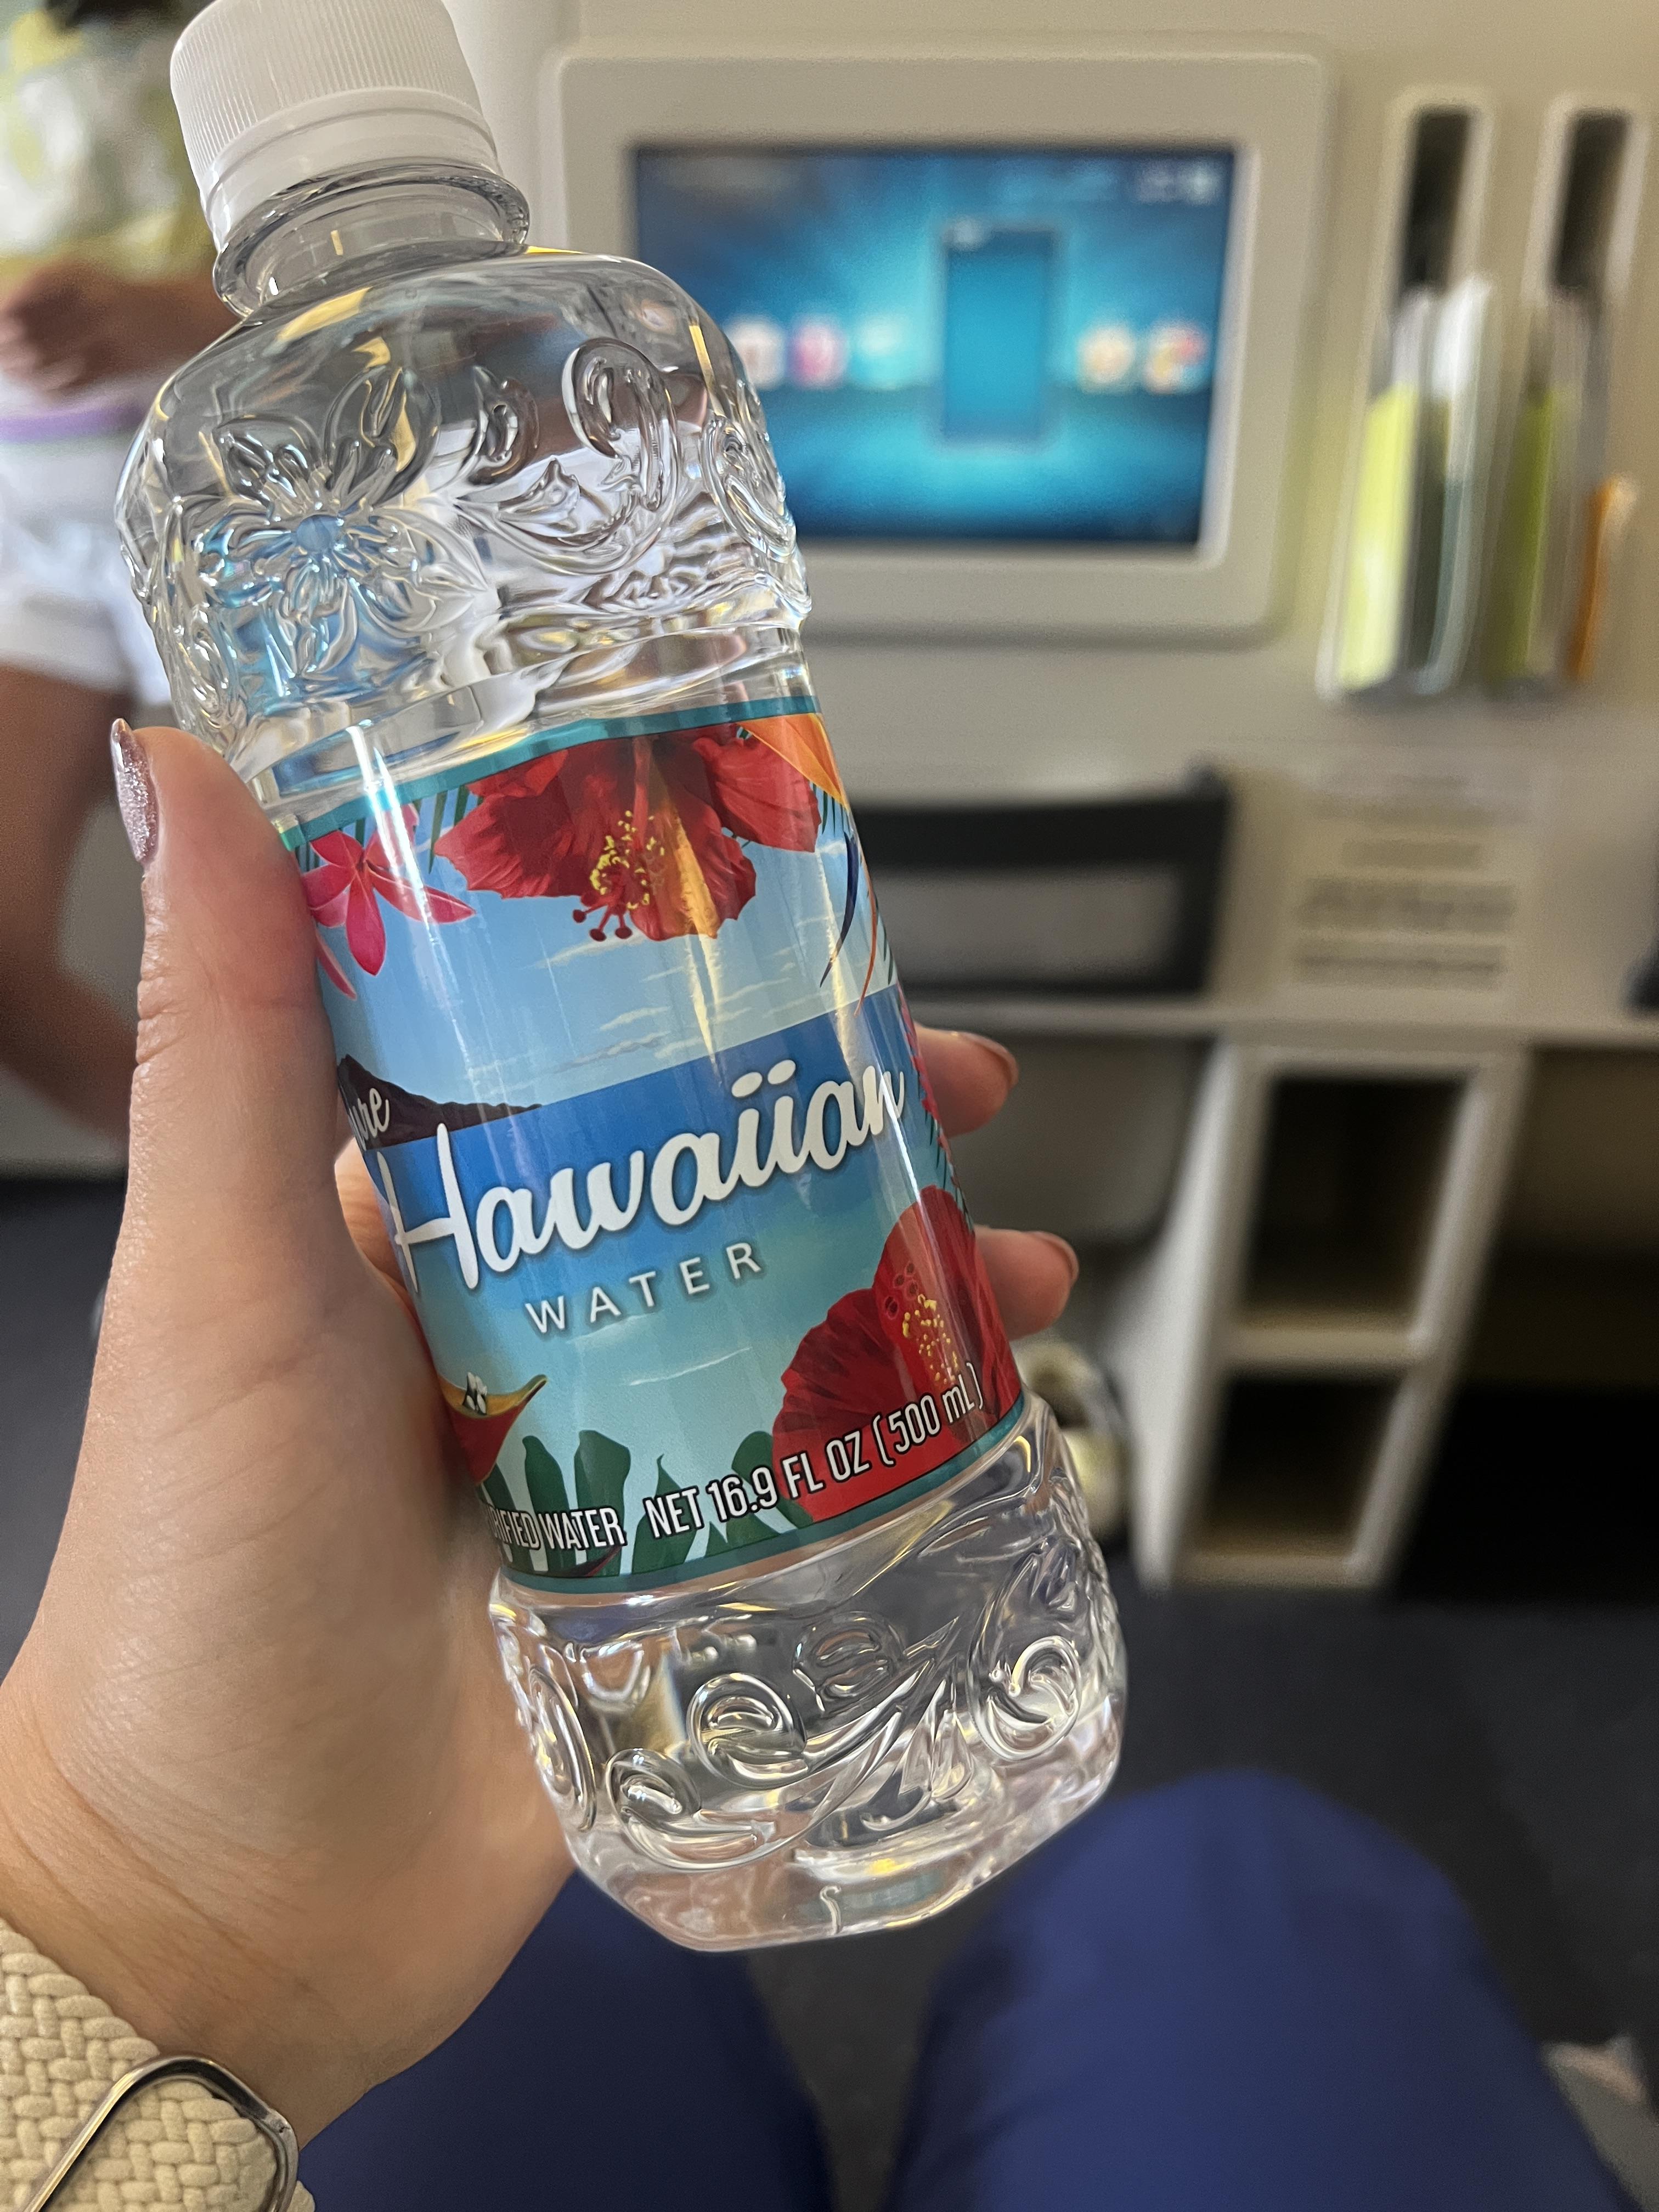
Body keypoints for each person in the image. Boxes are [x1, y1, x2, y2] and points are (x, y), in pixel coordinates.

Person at [0, 724, 1643, 2211]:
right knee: (1242, 1881)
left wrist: (127, 1918)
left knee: (573, 1992)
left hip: (703, 1766)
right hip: (731, 1724)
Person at [0, 0, 230, 1140]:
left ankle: (342, 1211)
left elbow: (377, 273)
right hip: (32, 541)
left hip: (222, 514)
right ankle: (224, 1210)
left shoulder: (243, 28)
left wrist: (173, 316)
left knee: (274, 935)